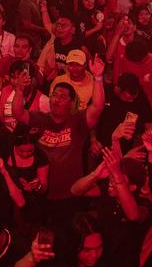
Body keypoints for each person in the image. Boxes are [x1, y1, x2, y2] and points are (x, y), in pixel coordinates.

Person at [7, 55, 105, 216]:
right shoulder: (40, 118)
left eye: (62, 97)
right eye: (54, 95)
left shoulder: (78, 121)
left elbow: (98, 107)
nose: (56, 100)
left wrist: (99, 78)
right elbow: (18, 113)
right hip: (43, 193)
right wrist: (19, 89)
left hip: (71, 194)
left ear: (72, 102)